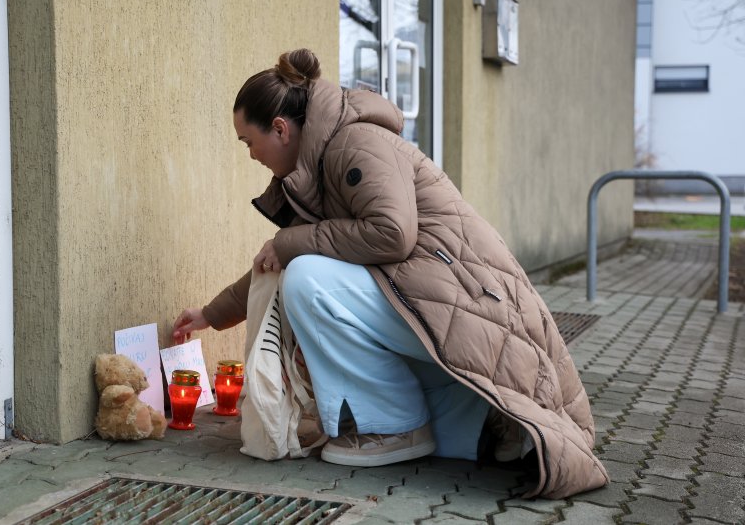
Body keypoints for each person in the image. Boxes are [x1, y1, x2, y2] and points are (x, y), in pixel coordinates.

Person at [172, 49, 608, 498]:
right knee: (459, 446)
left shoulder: (354, 144)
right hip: (445, 301)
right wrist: (211, 314)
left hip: (467, 301)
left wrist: (289, 243)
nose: (250, 155)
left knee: (304, 278)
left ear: (280, 129)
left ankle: (392, 427)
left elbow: (392, 234)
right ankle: (489, 421)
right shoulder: (318, 164)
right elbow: (283, 258)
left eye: (248, 141)